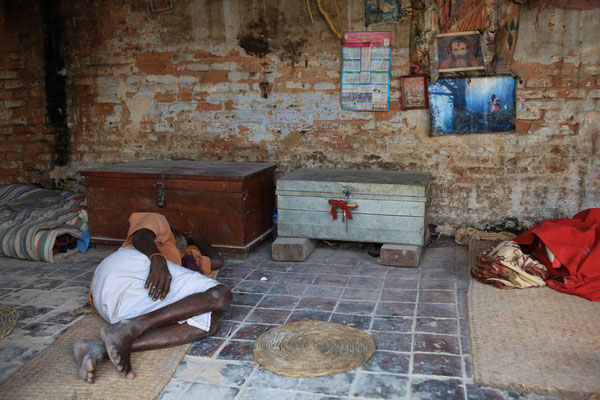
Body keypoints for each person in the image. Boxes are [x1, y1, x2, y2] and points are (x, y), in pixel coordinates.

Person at [73, 212, 232, 384]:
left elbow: (217, 262)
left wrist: (197, 237)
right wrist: (158, 260)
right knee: (220, 295)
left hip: (109, 303)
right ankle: (132, 327)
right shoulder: (160, 223)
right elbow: (141, 236)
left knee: (207, 322)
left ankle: (100, 348)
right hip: (129, 264)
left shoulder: (182, 258)